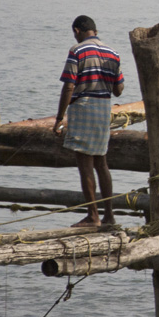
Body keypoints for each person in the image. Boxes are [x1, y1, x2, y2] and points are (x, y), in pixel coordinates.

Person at [53, 15, 125, 226]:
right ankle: (109, 215)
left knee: (85, 164)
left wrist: (59, 118)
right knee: (101, 163)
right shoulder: (113, 53)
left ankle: (93, 216)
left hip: (83, 107)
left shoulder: (77, 51)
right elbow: (119, 90)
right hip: (104, 109)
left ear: (77, 30)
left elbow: (68, 86)